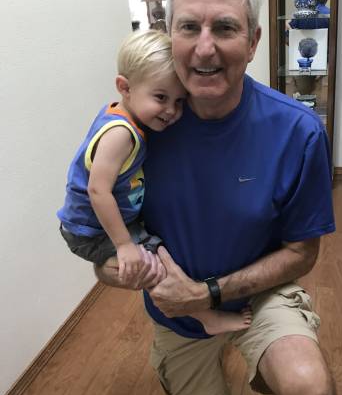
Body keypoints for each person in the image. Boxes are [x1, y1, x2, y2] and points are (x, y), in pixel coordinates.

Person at [96, 0, 337, 395]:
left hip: (258, 292)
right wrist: (136, 276)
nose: (205, 48)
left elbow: (303, 252)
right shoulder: (134, 131)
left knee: (310, 393)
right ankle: (206, 361)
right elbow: (97, 247)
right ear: (169, 34)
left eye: (225, 28)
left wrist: (208, 293)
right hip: (177, 308)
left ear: (253, 42)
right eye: (189, 27)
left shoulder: (298, 131)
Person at [57, 29, 252, 336]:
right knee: (153, 267)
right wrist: (124, 245)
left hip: (104, 223)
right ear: (125, 87)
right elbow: (97, 190)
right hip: (90, 231)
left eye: (179, 101)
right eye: (161, 98)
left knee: (158, 253)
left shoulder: (123, 115)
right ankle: (206, 318)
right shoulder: (121, 133)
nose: (171, 111)